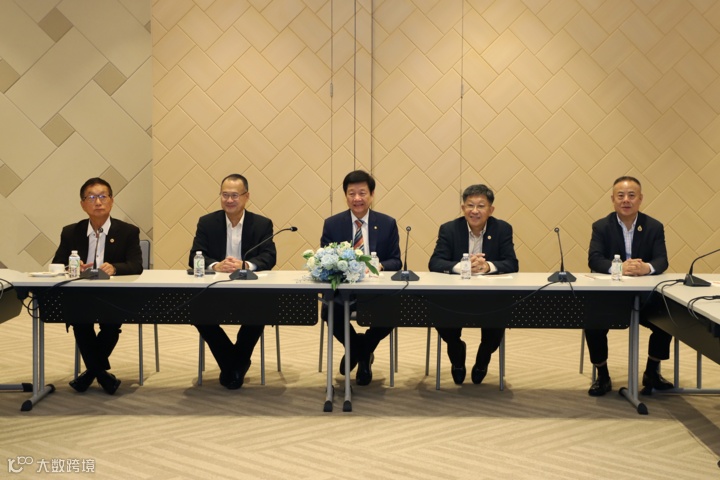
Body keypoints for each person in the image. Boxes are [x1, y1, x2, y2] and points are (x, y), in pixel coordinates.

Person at [53, 177, 143, 394]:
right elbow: (57, 264)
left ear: (112, 200)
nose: (98, 202)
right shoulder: (71, 232)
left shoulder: (128, 231)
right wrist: (73, 267)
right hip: (81, 294)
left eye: (103, 196)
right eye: (91, 197)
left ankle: (91, 374)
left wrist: (115, 268)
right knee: (80, 322)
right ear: (83, 204)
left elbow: (136, 265)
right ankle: (102, 375)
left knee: (111, 325)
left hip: (113, 295)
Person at [585, 176, 672, 396]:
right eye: (621, 195)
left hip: (645, 296)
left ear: (640, 199)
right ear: (613, 199)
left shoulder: (654, 226)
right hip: (611, 297)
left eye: (631, 195)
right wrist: (620, 268)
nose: (626, 200)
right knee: (592, 323)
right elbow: (595, 259)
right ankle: (602, 375)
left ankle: (651, 372)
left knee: (669, 319)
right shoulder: (601, 226)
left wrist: (646, 268)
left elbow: (662, 260)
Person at [189, 174, 276, 389]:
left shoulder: (262, 224)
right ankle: (236, 364)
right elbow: (195, 256)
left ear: (246, 196)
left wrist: (245, 265)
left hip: (249, 290)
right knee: (197, 312)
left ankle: (232, 366)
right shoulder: (207, 222)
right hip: (216, 290)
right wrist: (215, 265)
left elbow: (269, 257)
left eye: (235, 195)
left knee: (260, 312)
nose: (229, 200)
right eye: (225, 195)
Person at [429, 184, 519, 385]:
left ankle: (483, 358)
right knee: (440, 315)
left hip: (491, 296)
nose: (475, 211)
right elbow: (435, 262)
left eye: (481, 206)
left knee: (498, 320)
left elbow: (512, 263)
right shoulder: (449, 229)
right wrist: (463, 267)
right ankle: (456, 352)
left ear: (491, 209)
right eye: (470, 205)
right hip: (455, 296)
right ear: (463, 208)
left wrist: (487, 266)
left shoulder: (502, 229)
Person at [320, 170, 401, 385]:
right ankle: (362, 353)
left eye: (362, 193)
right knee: (330, 311)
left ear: (372, 195)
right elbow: (325, 260)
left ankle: (358, 351)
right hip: (344, 291)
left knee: (393, 312)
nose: (357, 198)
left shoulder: (387, 223)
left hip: (376, 292)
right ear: (345, 196)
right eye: (351, 193)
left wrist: (379, 266)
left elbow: (396, 261)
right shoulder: (332, 224)